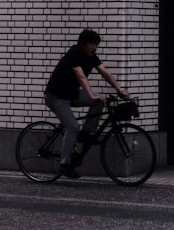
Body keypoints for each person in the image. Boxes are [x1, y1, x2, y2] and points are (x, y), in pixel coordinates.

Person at [44, 28, 131, 178]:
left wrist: (120, 89)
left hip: (71, 94)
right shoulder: (74, 54)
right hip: (56, 96)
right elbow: (80, 76)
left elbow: (105, 73)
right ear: (83, 44)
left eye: (96, 44)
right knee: (72, 126)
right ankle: (64, 164)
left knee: (99, 101)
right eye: (92, 44)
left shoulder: (91, 56)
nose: (95, 47)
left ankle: (85, 133)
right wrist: (91, 94)